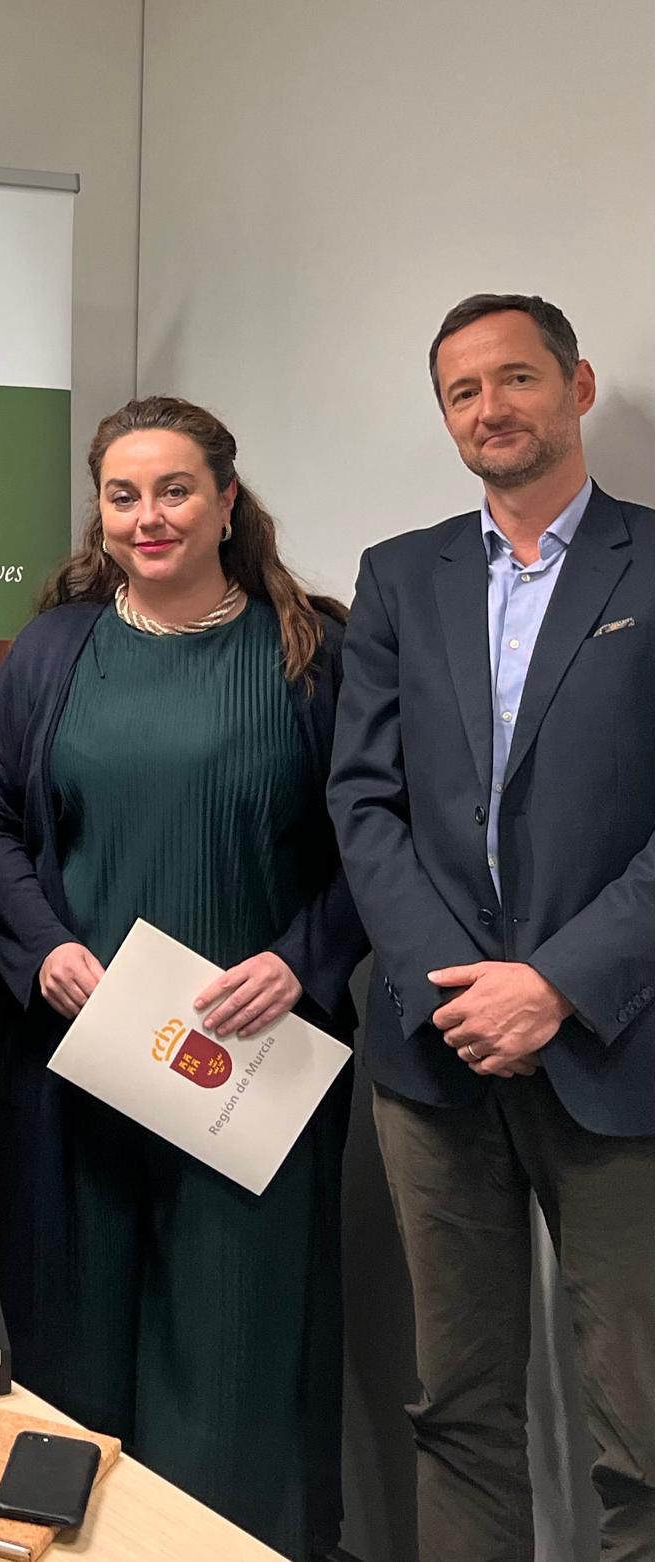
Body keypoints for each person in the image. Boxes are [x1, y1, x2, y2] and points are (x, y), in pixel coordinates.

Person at [0, 396, 366, 1560]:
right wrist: (45, 948)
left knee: (235, 1360)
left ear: (226, 500)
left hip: (249, 1071)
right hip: (78, 1062)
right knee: (68, 1358)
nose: (149, 516)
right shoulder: (55, 650)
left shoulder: (312, 654)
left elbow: (375, 845)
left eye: (175, 489)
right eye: (122, 494)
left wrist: (300, 959)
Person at [329, 293, 655, 1559]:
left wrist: (555, 984)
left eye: (514, 377)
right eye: (461, 391)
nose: (489, 408)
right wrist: (457, 987)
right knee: (456, 1410)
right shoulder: (400, 575)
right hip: (437, 1054)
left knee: (641, 1427)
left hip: (617, 1046)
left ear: (577, 386)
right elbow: (363, 799)